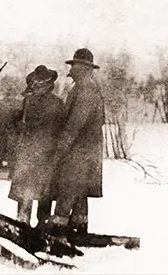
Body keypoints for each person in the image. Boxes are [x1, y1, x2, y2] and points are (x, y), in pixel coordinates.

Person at [45, 48, 105, 238]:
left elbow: (74, 125)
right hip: (85, 152)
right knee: (79, 191)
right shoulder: (85, 89)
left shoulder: (86, 91)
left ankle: (57, 235)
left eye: (75, 66)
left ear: (85, 69)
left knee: (68, 188)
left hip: (78, 153)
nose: (71, 71)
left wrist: (60, 149)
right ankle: (78, 231)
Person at [8, 65, 65, 224]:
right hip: (36, 155)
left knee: (36, 195)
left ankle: (32, 226)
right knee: (40, 195)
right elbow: (14, 123)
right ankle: (37, 227)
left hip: (39, 155)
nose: (37, 85)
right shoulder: (28, 101)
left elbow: (12, 125)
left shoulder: (51, 103)